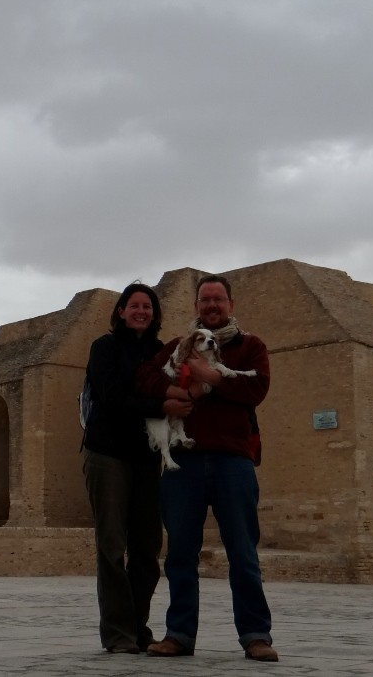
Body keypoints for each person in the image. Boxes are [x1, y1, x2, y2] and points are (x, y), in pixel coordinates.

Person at [137, 274, 278, 662]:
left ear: (230, 304)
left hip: (233, 461)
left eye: (218, 299)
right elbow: (146, 377)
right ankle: (179, 634)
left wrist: (211, 377)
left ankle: (255, 635)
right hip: (184, 464)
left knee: (243, 552)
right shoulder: (177, 348)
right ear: (197, 307)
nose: (212, 306)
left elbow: (257, 389)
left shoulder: (251, 347)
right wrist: (174, 395)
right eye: (205, 300)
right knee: (181, 553)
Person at [82, 282, 193, 654]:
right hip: (108, 454)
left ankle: (135, 626)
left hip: (147, 458)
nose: (141, 311)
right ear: (121, 311)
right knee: (112, 545)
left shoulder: (160, 353)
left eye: (147, 306)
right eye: (134, 305)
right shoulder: (105, 348)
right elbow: (111, 399)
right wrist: (161, 407)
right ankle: (117, 633)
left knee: (146, 546)